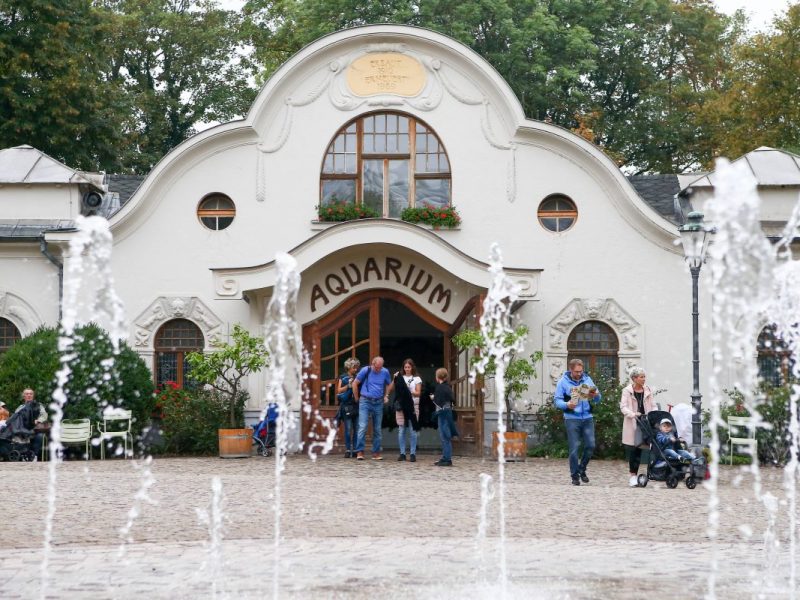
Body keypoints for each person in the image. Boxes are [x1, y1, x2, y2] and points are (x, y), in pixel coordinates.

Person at [553, 359, 601, 486]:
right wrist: (566, 404)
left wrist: (595, 395)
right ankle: (575, 476)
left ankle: (582, 469)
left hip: (587, 417)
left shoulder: (587, 380)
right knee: (574, 448)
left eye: (581, 371)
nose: (579, 374)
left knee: (590, 445)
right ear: (570, 369)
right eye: (576, 371)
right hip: (571, 418)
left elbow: (598, 399)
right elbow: (557, 401)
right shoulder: (563, 382)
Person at [619, 367, 656, 487]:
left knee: (645, 447)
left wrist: (654, 414)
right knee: (634, 450)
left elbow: (653, 405)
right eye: (641, 377)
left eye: (644, 376)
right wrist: (633, 414)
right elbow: (623, 407)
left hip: (646, 422)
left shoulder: (648, 390)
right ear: (634, 378)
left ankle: (653, 473)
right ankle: (633, 476)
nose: (644, 379)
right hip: (633, 422)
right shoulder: (627, 391)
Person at [352, 356, 393, 461]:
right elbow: (355, 383)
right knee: (363, 426)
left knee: (377, 429)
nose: (378, 370)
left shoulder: (385, 372)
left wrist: (386, 395)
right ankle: (360, 451)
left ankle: (376, 452)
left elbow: (389, 384)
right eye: (377, 367)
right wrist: (357, 398)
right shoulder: (366, 370)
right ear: (372, 364)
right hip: (365, 400)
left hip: (378, 402)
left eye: (380, 367)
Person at [394, 358, 422, 462]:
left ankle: (413, 453)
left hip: (413, 404)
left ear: (412, 367)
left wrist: (409, 391)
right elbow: (394, 389)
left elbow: (418, 393)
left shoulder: (417, 379)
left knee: (413, 430)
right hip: (402, 406)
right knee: (401, 430)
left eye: (409, 367)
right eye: (405, 367)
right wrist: (395, 378)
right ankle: (402, 453)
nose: (407, 369)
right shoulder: (400, 377)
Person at [432, 367, 457, 467]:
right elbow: (452, 399)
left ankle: (447, 459)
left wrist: (433, 398)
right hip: (448, 412)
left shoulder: (440, 387)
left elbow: (438, 400)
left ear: (438, 377)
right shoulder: (448, 387)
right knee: (446, 436)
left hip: (443, 413)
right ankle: (445, 457)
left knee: (444, 437)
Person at [336, 358, 360, 458]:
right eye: (354, 367)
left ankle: (355, 449)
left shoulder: (358, 377)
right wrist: (348, 386)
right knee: (348, 428)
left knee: (356, 428)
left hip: (356, 405)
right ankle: (347, 449)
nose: (356, 369)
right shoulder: (343, 377)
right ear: (349, 367)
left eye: (356, 367)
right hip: (346, 406)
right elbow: (339, 390)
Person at [14, 388, 47, 459]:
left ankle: (34, 456)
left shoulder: (39, 405)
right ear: (24, 396)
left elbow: (44, 415)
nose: (29, 395)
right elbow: (15, 418)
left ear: (33, 396)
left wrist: (38, 420)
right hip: (21, 431)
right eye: (27, 394)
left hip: (34, 430)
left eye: (31, 394)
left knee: (40, 436)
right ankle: (22, 456)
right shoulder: (20, 407)